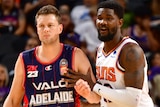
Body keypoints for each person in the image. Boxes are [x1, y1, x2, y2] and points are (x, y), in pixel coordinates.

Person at [63, 1, 154, 107]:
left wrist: (93, 85)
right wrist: (87, 96)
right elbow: (104, 96)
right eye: (100, 18)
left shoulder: (131, 51)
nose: (103, 22)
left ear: (120, 22)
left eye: (109, 18)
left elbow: (132, 101)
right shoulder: (100, 50)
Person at [3, 5, 97, 107]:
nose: (46, 29)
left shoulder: (76, 55)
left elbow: (97, 98)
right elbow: (12, 101)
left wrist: (88, 95)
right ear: (37, 30)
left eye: (50, 25)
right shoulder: (24, 59)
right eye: (41, 26)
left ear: (60, 28)